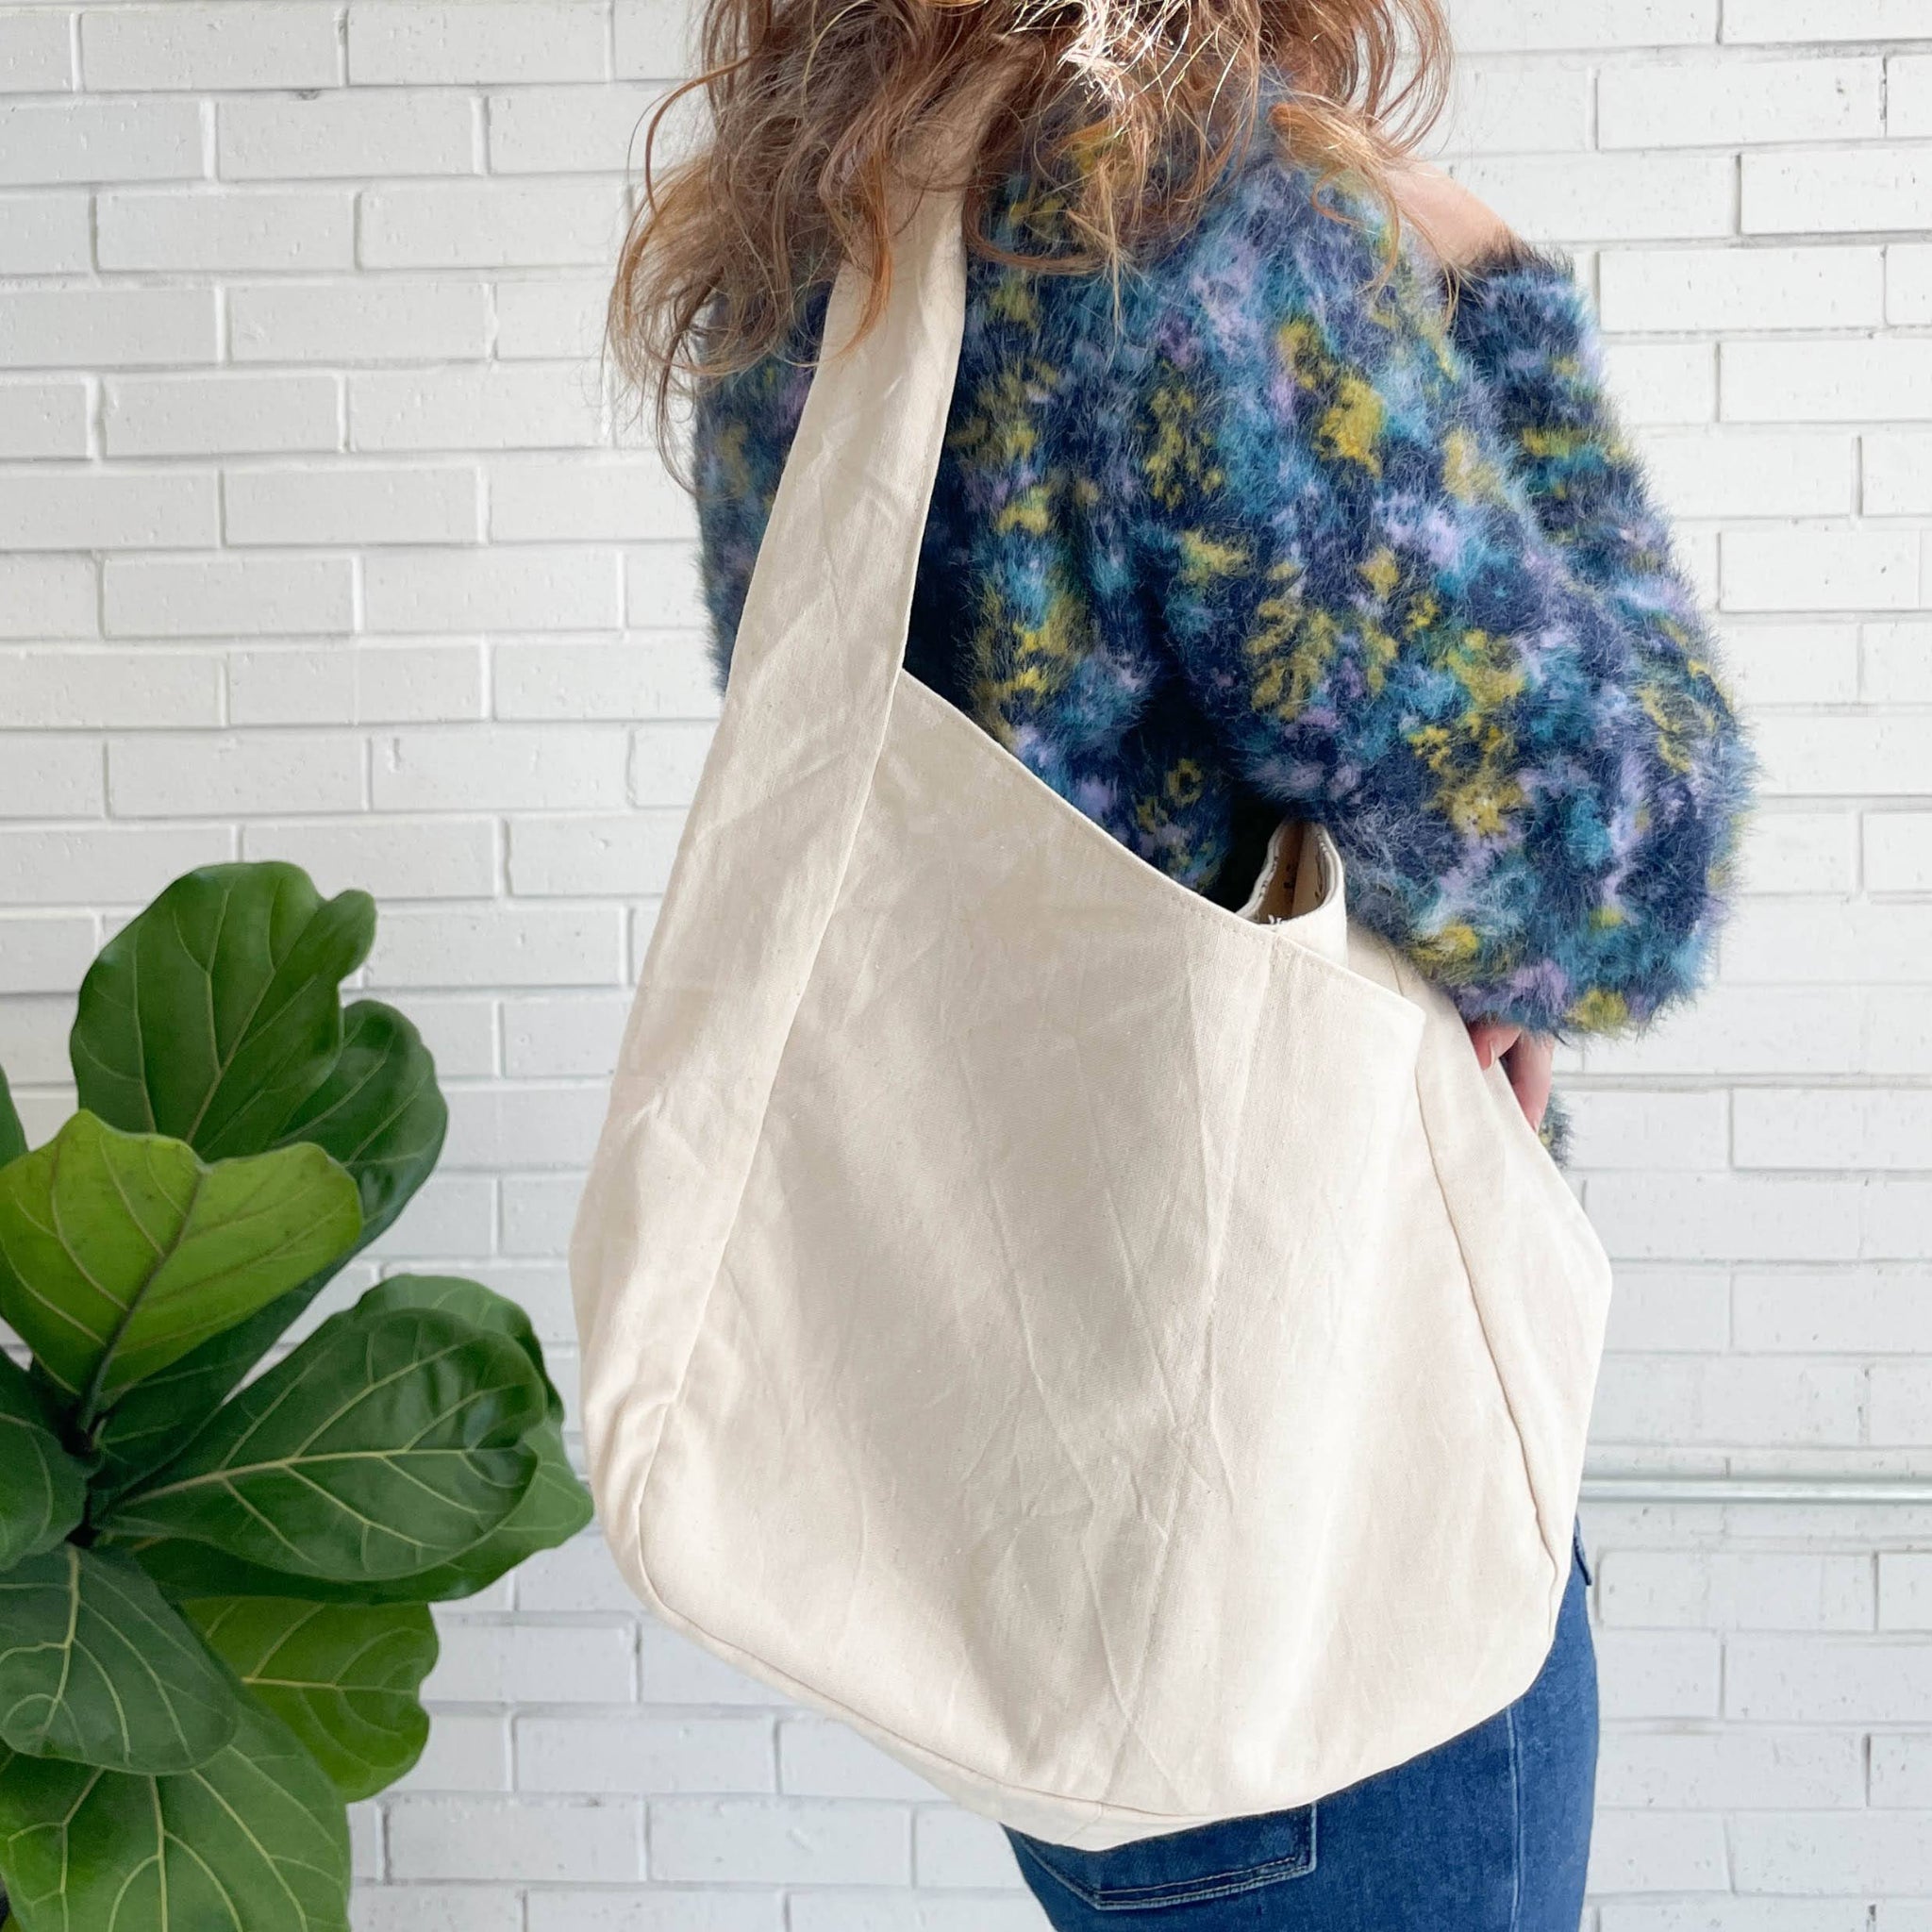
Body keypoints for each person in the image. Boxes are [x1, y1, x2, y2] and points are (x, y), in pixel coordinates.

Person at [607, 2, 1753, 1923]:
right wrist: (1496, 296)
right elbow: (1616, 868)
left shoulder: (818, 236)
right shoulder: (1201, 227)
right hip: (1305, 1552)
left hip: (1035, 1503)